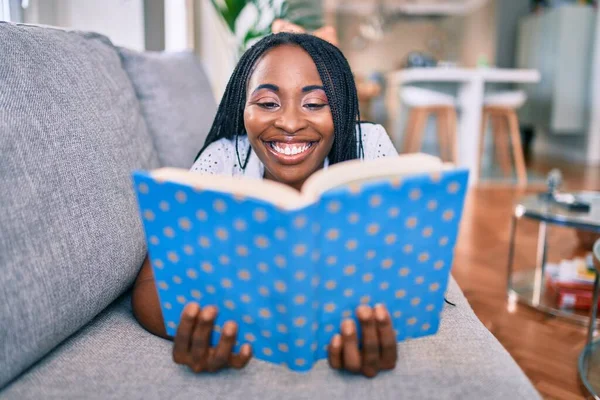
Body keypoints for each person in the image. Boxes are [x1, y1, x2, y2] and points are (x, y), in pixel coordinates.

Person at [132, 32, 399, 378]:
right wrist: (203, 332)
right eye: (268, 103)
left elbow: (400, 267)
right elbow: (151, 285)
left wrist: (374, 329)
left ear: (342, 109)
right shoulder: (225, 161)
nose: (289, 123)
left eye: (315, 104)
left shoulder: (369, 147)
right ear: (242, 107)